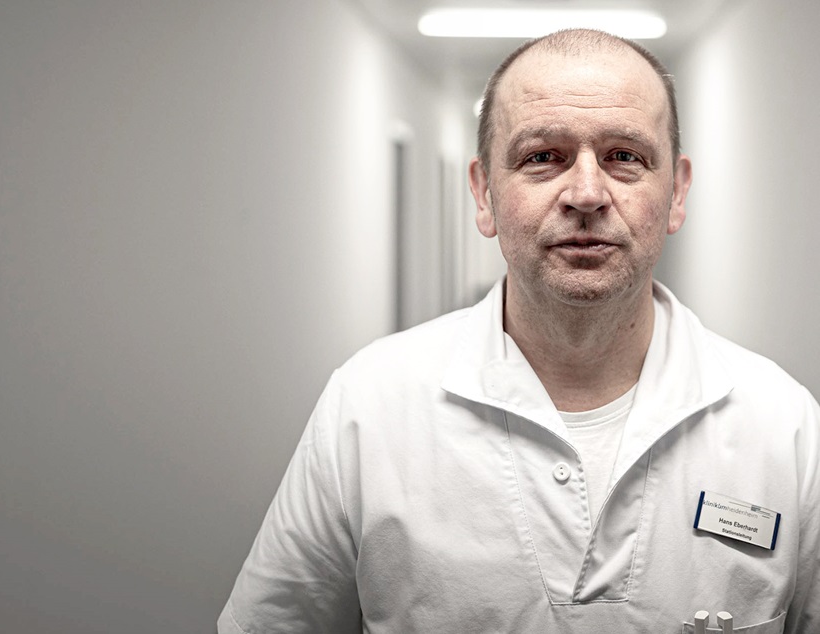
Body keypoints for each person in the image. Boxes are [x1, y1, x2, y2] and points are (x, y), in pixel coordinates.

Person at [218, 29, 820, 633]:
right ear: (484, 193)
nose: (587, 194)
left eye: (625, 157)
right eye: (542, 157)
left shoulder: (784, 429)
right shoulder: (368, 408)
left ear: (677, 192)